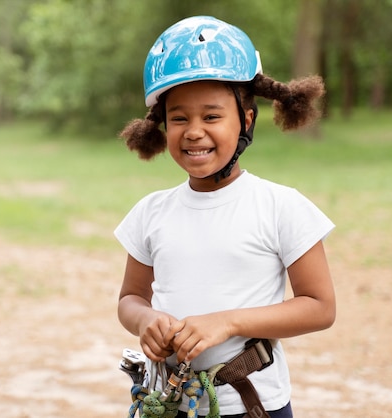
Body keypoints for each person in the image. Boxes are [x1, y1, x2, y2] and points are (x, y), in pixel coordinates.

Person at [115, 16, 336, 418]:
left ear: (246, 121)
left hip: (252, 405)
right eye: (179, 118)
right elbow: (130, 299)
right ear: (163, 126)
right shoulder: (151, 212)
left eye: (212, 117)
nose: (194, 131)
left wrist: (229, 322)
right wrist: (146, 319)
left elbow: (320, 306)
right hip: (168, 404)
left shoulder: (279, 206)